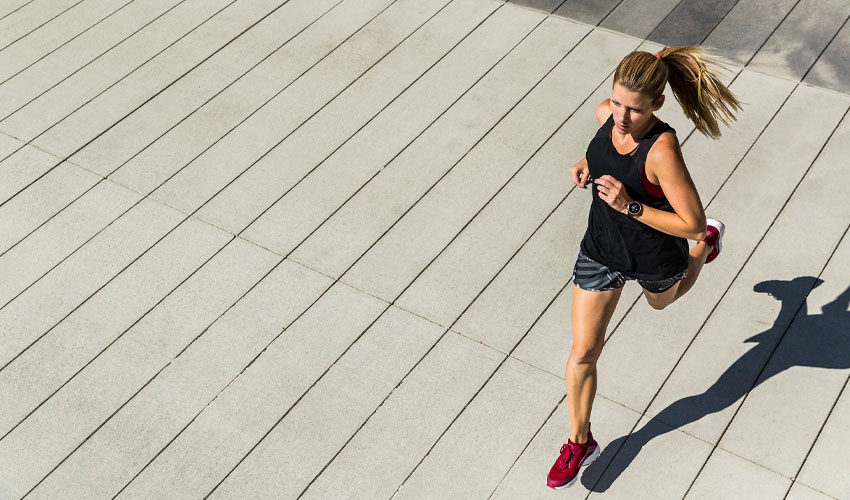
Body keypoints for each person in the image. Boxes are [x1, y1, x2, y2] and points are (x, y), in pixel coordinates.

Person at [546, 46, 742, 490]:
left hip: (655, 253)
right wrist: (585, 163)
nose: (620, 116)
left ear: (657, 104)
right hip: (601, 249)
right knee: (582, 353)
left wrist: (629, 205)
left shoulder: (661, 149)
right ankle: (580, 441)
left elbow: (689, 221)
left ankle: (709, 248)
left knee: (662, 302)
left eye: (634, 109)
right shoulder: (606, 115)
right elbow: (601, 146)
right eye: (616, 102)